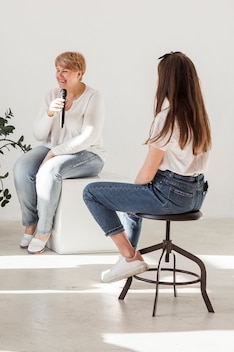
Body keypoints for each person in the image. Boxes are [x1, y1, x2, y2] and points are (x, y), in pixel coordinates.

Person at [83, 51, 211, 283]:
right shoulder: (199, 116)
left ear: (166, 81)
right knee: (132, 201)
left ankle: (129, 257)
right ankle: (127, 262)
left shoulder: (167, 118)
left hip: (171, 195)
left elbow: (148, 173)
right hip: (195, 196)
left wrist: (133, 195)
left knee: (92, 192)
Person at [13, 51, 105, 254]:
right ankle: (31, 224)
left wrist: (55, 153)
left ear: (79, 74)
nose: (59, 75)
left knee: (49, 171)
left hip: (87, 154)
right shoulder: (51, 95)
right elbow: (39, 134)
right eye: (57, 70)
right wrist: (49, 114)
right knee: (22, 167)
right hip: (52, 147)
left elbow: (89, 136)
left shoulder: (93, 97)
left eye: (66, 71)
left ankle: (44, 231)